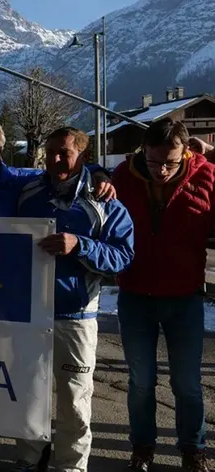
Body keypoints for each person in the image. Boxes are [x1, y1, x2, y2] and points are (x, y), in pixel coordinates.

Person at [0, 119, 117, 472]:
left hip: (11, 304)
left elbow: (66, 168)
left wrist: (99, 176)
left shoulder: (17, 181)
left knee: (2, 379)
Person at [11, 127, 135, 472]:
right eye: (50, 152)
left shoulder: (105, 201)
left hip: (75, 314)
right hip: (30, 311)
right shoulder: (28, 192)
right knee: (28, 393)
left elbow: (123, 256)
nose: (54, 159)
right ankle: (28, 457)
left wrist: (80, 245)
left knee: (74, 399)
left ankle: (70, 465)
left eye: (64, 152)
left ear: (83, 155)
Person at [113, 119, 214, 472]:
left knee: (187, 382)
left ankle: (193, 450)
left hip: (185, 297)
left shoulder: (208, 177)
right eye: (154, 161)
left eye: (170, 162)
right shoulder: (123, 176)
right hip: (135, 296)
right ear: (143, 152)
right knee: (141, 380)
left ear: (186, 152)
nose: (161, 170)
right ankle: (142, 448)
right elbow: (90, 175)